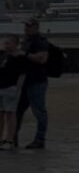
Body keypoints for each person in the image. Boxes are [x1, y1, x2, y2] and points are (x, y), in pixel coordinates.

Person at [13, 18, 50, 150]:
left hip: (37, 81)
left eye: (29, 26)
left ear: (36, 27)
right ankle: (12, 137)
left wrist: (25, 54)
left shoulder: (40, 40)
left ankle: (40, 139)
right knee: (17, 110)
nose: (26, 28)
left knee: (39, 111)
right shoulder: (26, 40)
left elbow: (43, 59)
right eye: (26, 25)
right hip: (25, 80)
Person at [0, 34, 27, 151]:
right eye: (5, 43)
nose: (6, 45)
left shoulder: (20, 57)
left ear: (16, 44)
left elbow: (22, 74)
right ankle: (1, 139)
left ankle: (9, 139)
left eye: (8, 43)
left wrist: (17, 89)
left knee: (10, 114)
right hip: (1, 87)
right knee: (1, 114)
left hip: (11, 88)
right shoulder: (3, 55)